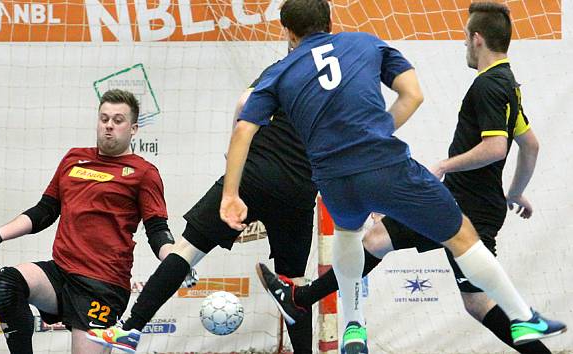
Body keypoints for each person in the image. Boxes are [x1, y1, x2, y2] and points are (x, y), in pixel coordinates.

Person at [219, 0, 565, 353]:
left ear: (288, 32)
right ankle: (523, 316)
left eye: (464, 37)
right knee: (456, 253)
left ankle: (349, 323)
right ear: (330, 21)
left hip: (338, 179)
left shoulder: (281, 71)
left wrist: (231, 193)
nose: (463, 43)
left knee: (356, 236)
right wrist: (376, 134)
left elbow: (244, 125)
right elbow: (415, 95)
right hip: (392, 169)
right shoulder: (365, 43)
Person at [85, 67, 321, 353]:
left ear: (289, 32)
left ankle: (132, 328)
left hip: (255, 174)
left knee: (187, 250)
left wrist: (232, 153)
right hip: (300, 185)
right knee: (294, 285)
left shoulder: (288, 66)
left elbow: (245, 102)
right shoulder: (340, 79)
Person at [0, 89, 194, 354]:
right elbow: (44, 211)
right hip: (61, 274)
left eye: (118, 120)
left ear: (134, 128)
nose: (109, 125)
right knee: (8, 283)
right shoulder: (74, 158)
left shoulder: (144, 173)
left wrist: (175, 262)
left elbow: (157, 230)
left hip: (102, 286)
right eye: (104, 118)